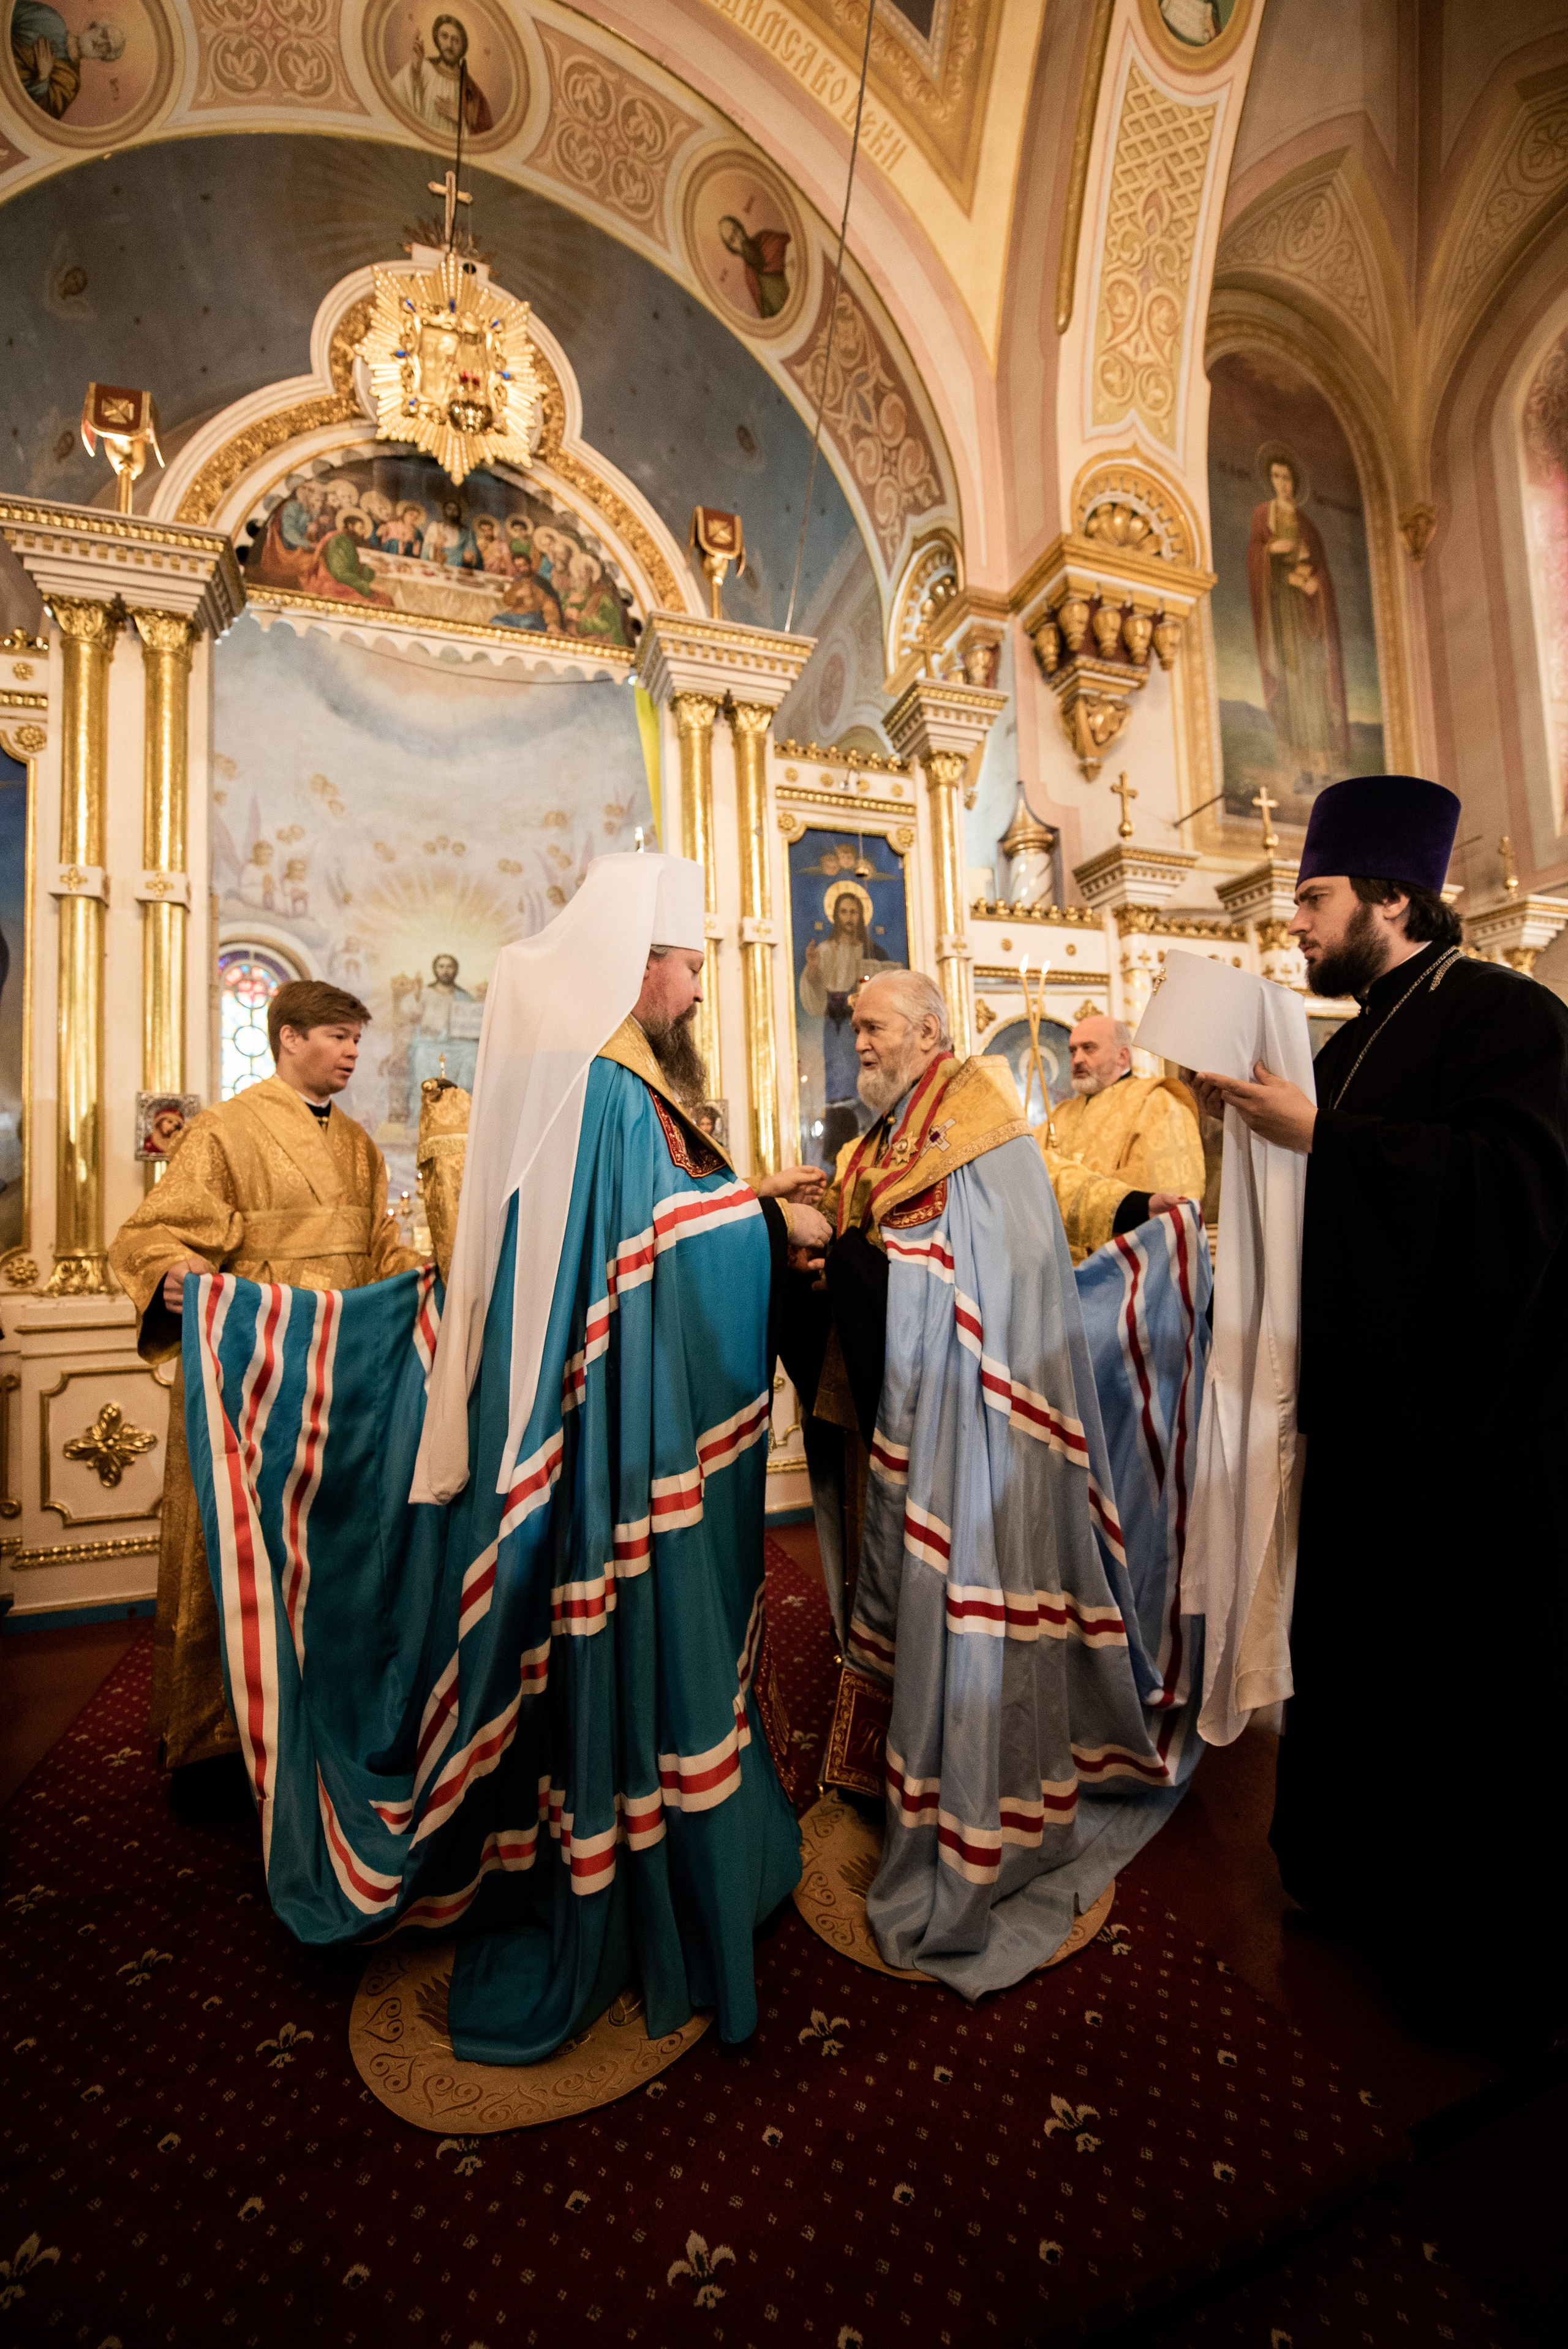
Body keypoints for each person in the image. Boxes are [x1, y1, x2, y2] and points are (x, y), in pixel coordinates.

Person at [179, 856, 831, 2064]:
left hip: (585, 1420)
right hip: (614, 1439)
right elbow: (652, 1254)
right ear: (642, 969)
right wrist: (768, 1221)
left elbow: (629, 1231)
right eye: (687, 964)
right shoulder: (612, 1085)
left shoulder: (593, 1082)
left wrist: (741, 1194)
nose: (695, 986)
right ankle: (651, 1884)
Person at [1191, 774, 1568, 2025]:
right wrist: (1245, 1135)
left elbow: (1517, 1191)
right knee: (1349, 1669)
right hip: (1354, 1422)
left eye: (1311, 896)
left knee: (1453, 1688)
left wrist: (1321, 1141)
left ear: (1392, 898)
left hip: (1469, 1442)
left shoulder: (1507, 1015)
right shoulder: (1345, 1046)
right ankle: (1353, 1879)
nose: (1290, 922)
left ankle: (1469, 1960)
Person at [786, 968, 1210, 1992]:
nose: (861, 1046)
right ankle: (891, 1764)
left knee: (949, 1601)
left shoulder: (973, 1123)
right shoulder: (881, 1139)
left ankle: (968, 1789)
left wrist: (841, 1260)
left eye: (876, 1028)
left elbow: (992, 1267)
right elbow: (893, 1250)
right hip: (882, 1406)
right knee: (880, 1586)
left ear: (931, 1032)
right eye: (854, 1030)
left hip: (963, 1429)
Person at [107, 981, 423, 1818]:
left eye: (358, 1037)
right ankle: (214, 1744)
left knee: (332, 1557)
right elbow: (149, 1233)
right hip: (249, 1379)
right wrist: (172, 1273)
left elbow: (384, 1250)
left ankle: (326, 1724)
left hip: (340, 1381)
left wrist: (433, 1282)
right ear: (288, 1039)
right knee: (232, 1554)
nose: (353, 1051)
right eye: (336, 1035)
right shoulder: (225, 1129)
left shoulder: (358, 1143)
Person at [1041, 1013, 1207, 1262]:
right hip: (1061, 1269)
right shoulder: (1061, 1114)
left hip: (1126, 1268)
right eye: (1073, 1051)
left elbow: (1165, 1191)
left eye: (1089, 1049)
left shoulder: (1158, 1103)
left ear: (1122, 1056)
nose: (1077, 1059)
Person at [1247, 450, 1349, 783]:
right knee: (1291, 682)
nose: (1282, 484)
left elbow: (1320, 567)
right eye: (1276, 477)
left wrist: (1316, 582)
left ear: (1295, 482)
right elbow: (1257, 558)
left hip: (1309, 616)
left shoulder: (1307, 525)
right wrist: (1268, 554)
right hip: (1284, 615)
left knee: (1314, 684)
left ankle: (1323, 765)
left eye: (1287, 478)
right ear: (1270, 480)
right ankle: (1302, 767)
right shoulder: (1264, 515)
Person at [799, 884, 891, 1163]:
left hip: (861, 1022)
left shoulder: (873, 951)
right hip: (836, 1025)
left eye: (854, 912)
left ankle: (870, 1125)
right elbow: (813, 993)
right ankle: (841, 1129)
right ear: (835, 916)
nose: (849, 918)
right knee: (839, 1075)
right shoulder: (825, 950)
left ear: (861, 916)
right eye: (844, 912)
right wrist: (813, 970)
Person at [10, 4, 123, 119]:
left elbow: (42, 117)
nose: (100, 43)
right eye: (104, 35)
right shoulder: (50, 19)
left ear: (103, 57)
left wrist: (43, 78)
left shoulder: (70, 81)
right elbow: (9, 14)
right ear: (94, 27)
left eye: (107, 47)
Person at [390, 13, 494, 137]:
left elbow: (486, 135)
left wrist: (460, 118)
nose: (449, 45)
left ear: (463, 47)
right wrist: (416, 69)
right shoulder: (422, 67)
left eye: (456, 40)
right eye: (444, 37)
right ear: (437, 39)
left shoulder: (472, 91)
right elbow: (395, 101)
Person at [718, 213, 792, 320]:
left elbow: (794, 247)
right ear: (732, 249)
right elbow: (765, 313)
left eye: (736, 231)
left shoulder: (765, 238)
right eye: (732, 240)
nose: (739, 239)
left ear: (741, 227)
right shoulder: (750, 277)